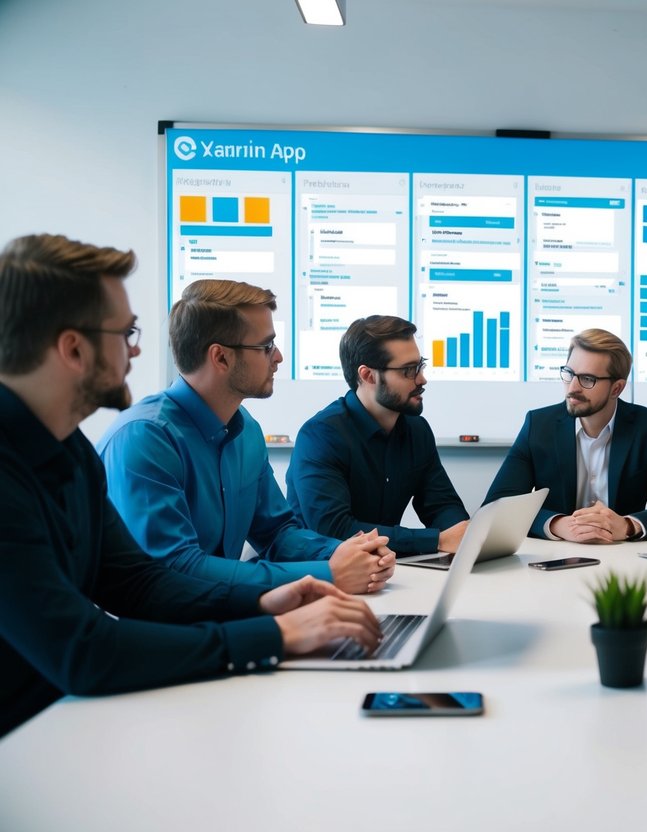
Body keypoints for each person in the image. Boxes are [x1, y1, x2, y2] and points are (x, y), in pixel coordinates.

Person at [0, 234, 382, 737]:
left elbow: (138, 582)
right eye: (125, 331)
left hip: (63, 721)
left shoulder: (69, 449)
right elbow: (83, 650)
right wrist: (272, 635)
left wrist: (262, 604)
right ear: (73, 348)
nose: (137, 348)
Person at [98, 279, 394, 595]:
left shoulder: (246, 430)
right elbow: (176, 567)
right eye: (266, 346)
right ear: (221, 357)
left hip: (219, 613)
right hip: (154, 631)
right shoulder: (145, 439)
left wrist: (347, 553)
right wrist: (327, 573)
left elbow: (277, 532)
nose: (278, 356)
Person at [483, 329, 647, 541]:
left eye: (587, 379)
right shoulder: (538, 425)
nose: (572, 388)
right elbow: (497, 507)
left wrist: (628, 525)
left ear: (616, 388)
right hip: (553, 555)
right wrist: (557, 524)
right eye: (569, 373)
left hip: (623, 554)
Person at [287, 316, 469, 556]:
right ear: (368, 375)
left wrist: (464, 536)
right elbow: (335, 530)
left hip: (388, 570)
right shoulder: (320, 436)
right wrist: (436, 541)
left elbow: (442, 505)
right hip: (318, 575)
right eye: (408, 371)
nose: (422, 379)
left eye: (420, 365)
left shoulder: (417, 430)